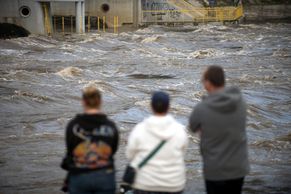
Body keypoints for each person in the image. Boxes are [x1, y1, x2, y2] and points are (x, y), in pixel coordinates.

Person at [189, 65, 249, 194]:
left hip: (215, 169)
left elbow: (193, 127)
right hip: (238, 168)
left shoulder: (202, 108)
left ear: (209, 83)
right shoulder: (240, 101)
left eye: (203, 81)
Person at [126, 91, 188, 194]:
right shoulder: (180, 130)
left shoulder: (140, 129)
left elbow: (130, 156)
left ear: (151, 106)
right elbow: (182, 154)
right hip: (173, 185)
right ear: (168, 107)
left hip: (145, 184)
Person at [61, 85, 119, 194]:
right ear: (100, 101)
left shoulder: (73, 125)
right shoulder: (111, 126)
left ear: (83, 102)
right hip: (105, 176)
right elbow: (113, 150)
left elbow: (70, 152)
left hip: (80, 176)